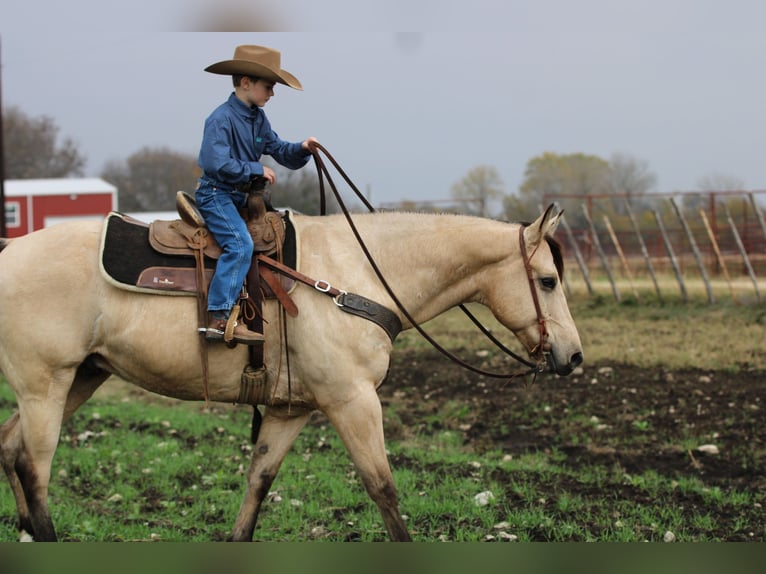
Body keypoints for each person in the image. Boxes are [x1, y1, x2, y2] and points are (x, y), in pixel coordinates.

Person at [195, 45, 318, 345]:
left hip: (242, 198)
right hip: (216, 195)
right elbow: (215, 162)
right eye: (268, 87)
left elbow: (278, 149)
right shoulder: (220, 119)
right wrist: (255, 169)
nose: (272, 94)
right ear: (246, 82)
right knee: (239, 245)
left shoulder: (257, 119)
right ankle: (219, 318)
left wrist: (302, 149)